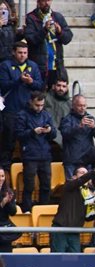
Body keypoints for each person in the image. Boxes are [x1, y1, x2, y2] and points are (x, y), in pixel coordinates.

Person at [0, 41, 43, 172]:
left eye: (25, 53)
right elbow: (3, 85)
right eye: (20, 53)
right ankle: (5, 178)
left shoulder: (33, 66)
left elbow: (39, 86)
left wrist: (31, 82)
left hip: (28, 113)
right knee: (8, 146)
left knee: (29, 145)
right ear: (13, 52)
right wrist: (19, 80)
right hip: (11, 111)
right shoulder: (5, 65)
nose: (22, 55)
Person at [50, 165, 95, 253]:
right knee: (58, 260)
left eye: (86, 173)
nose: (85, 175)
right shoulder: (69, 185)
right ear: (74, 177)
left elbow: (88, 218)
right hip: (60, 230)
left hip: (75, 232)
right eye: (82, 173)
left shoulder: (89, 195)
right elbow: (80, 181)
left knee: (75, 260)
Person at [16, 91, 55, 212]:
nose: (39, 108)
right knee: (29, 186)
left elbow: (54, 134)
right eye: (37, 105)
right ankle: (27, 210)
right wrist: (33, 131)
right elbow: (18, 134)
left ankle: (43, 209)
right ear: (31, 102)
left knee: (46, 185)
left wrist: (49, 131)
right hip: (30, 155)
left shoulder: (46, 115)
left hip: (45, 155)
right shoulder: (22, 115)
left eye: (42, 105)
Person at [24, 0, 73, 86]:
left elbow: (68, 38)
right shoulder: (31, 17)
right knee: (39, 95)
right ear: (38, 2)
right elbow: (31, 39)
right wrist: (44, 30)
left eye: (49, 0)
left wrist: (60, 31)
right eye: (44, 0)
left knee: (56, 95)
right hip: (39, 65)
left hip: (57, 65)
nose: (47, 3)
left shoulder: (58, 16)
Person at [59, 95, 95, 177]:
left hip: (87, 159)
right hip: (71, 160)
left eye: (84, 105)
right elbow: (65, 134)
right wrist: (78, 126)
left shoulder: (90, 118)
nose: (82, 108)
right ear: (73, 106)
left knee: (88, 186)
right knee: (72, 185)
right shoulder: (67, 119)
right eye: (80, 105)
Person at [44, 74, 70, 148]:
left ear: (67, 88)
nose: (61, 88)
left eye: (64, 86)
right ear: (53, 86)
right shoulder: (45, 99)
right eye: (58, 85)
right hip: (48, 134)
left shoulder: (70, 104)